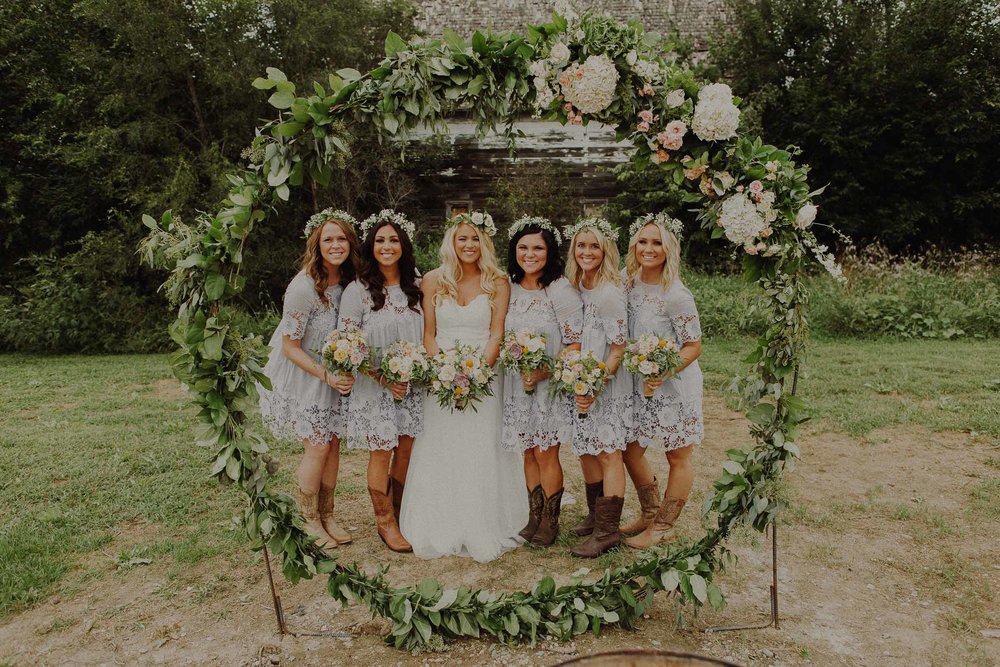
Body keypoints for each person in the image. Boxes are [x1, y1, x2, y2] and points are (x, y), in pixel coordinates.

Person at [400, 212, 526, 562]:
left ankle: (483, 516)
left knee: (479, 443)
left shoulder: (498, 281)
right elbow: (428, 333)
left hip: (483, 375)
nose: (469, 245)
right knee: (443, 444)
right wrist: (445, 371)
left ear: (484, 244)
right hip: (441, 373)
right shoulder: (432, 280)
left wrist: (476, 374)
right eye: (462, 239)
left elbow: (497, 332)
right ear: (451, 244)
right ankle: (440, 516)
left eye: (475, 239)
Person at [258, 208, 360, 550]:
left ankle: (328, 513)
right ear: (316, 245)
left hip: (335, 371)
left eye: (341, 238)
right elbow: (290, 347)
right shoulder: (303, 287)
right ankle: (308, 519)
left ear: (350, 242)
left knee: (333, 446)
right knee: (317, 445)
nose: (335, 245)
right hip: (306, 372)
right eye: (328, 239)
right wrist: (325, 375)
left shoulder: (348, 282)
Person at [339, 210, 423, 553]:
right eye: (380, 240)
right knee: (381, 450)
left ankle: (402, 514)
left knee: (406, 449)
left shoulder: (415, 284)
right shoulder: (357, 291)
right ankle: (384, 521)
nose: (387, 246)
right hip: (375, 387)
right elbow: (345, 346)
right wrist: (383, 378)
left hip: (412, 386)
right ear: (370, 246)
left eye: (393, 240)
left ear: (403, 245)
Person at [620, 214, 704, 549]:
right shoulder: (628, 285)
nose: (649, 248)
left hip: (674, 386)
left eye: (657, 243)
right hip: (640, 386)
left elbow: (694, 345)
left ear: (670, 249)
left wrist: (662, 371)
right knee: (630, 450)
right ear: (634, 245)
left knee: (677, 456)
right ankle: (650, 513)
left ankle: (664, 526)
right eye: (643, 241)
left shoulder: (677, 294)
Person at [501, 216, 582, 546]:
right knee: (528, 452)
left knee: (547, 452)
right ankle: (532, 516)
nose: (529, 254)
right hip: (516, 384)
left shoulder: (560, 290)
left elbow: (575, 343)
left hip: (549, 385)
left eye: (537, 247)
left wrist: (545, 370)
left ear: (550, 252)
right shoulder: (509, 286)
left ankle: (550, 520)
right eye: (523, 247)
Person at [563, 217, 631, 557]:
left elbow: (618, 347)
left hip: (606, 384)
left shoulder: (609, 293)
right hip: (581, 381)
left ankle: (608, 531)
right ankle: (594, 514)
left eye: (594, 246)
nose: (586, 252)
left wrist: (596, 383)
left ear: (606, 252)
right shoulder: (577, 288)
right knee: (586, 449)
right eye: (581, 245)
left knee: (607, 452)